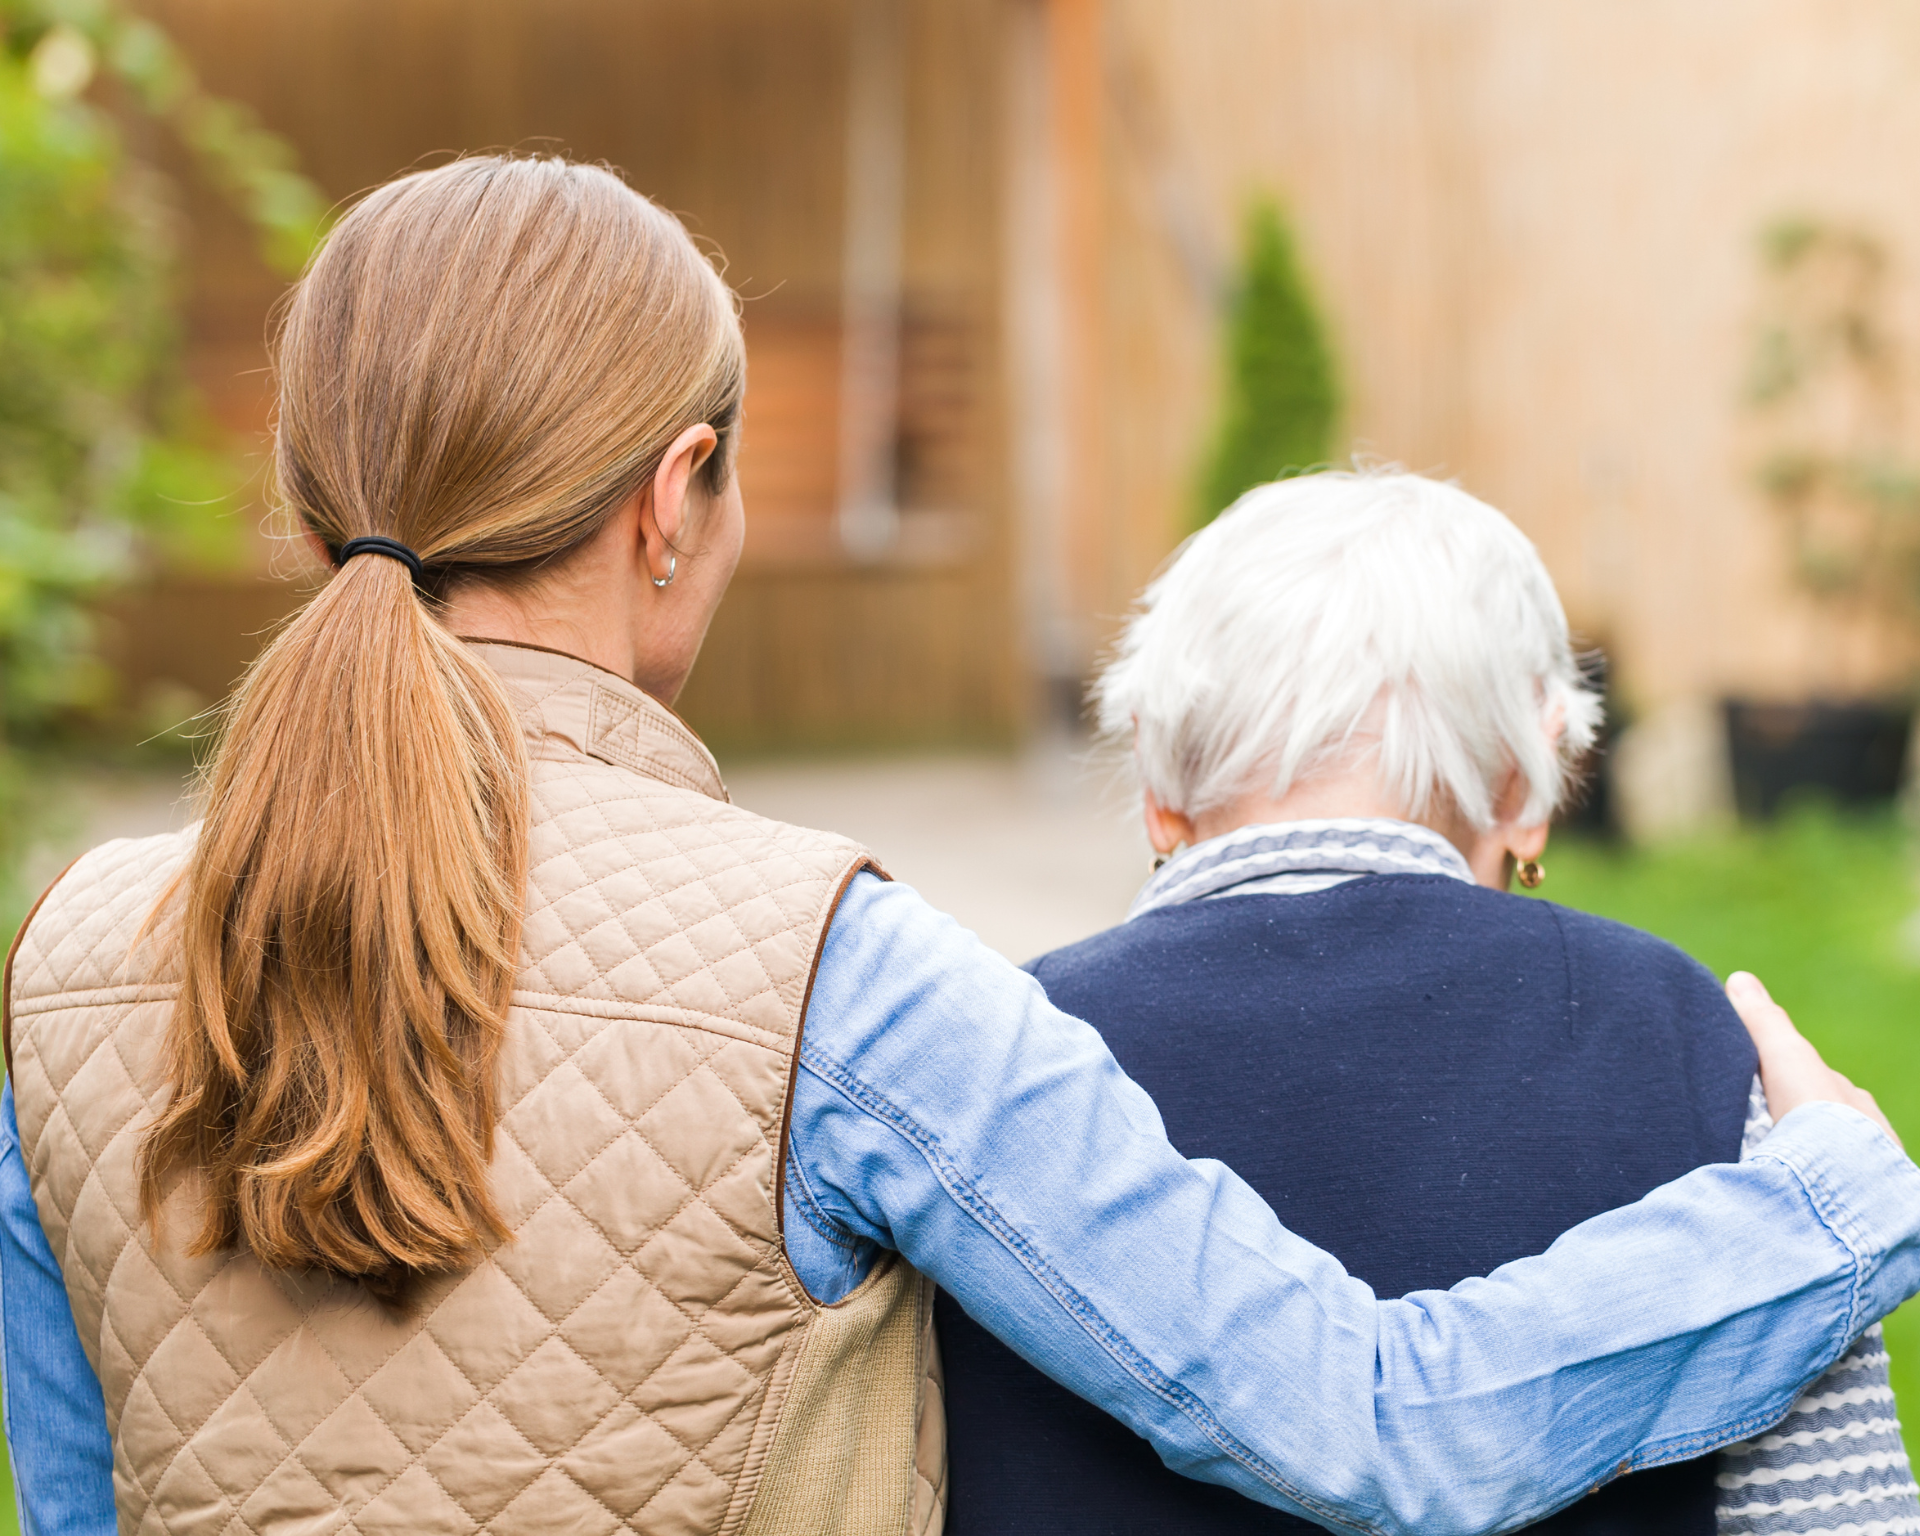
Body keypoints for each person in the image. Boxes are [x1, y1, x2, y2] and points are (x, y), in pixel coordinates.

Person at [1, 157, 1916, 1536]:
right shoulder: (824, 967)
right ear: (681, 499)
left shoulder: (64, 962)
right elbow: (1368, 1424)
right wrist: (1826, 1204)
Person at [936, 469, 1920, 1536]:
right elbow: (1832, 1511)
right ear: (1530, 782)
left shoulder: (997, 1057)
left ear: (1156, 789)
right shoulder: (1692, 1038)